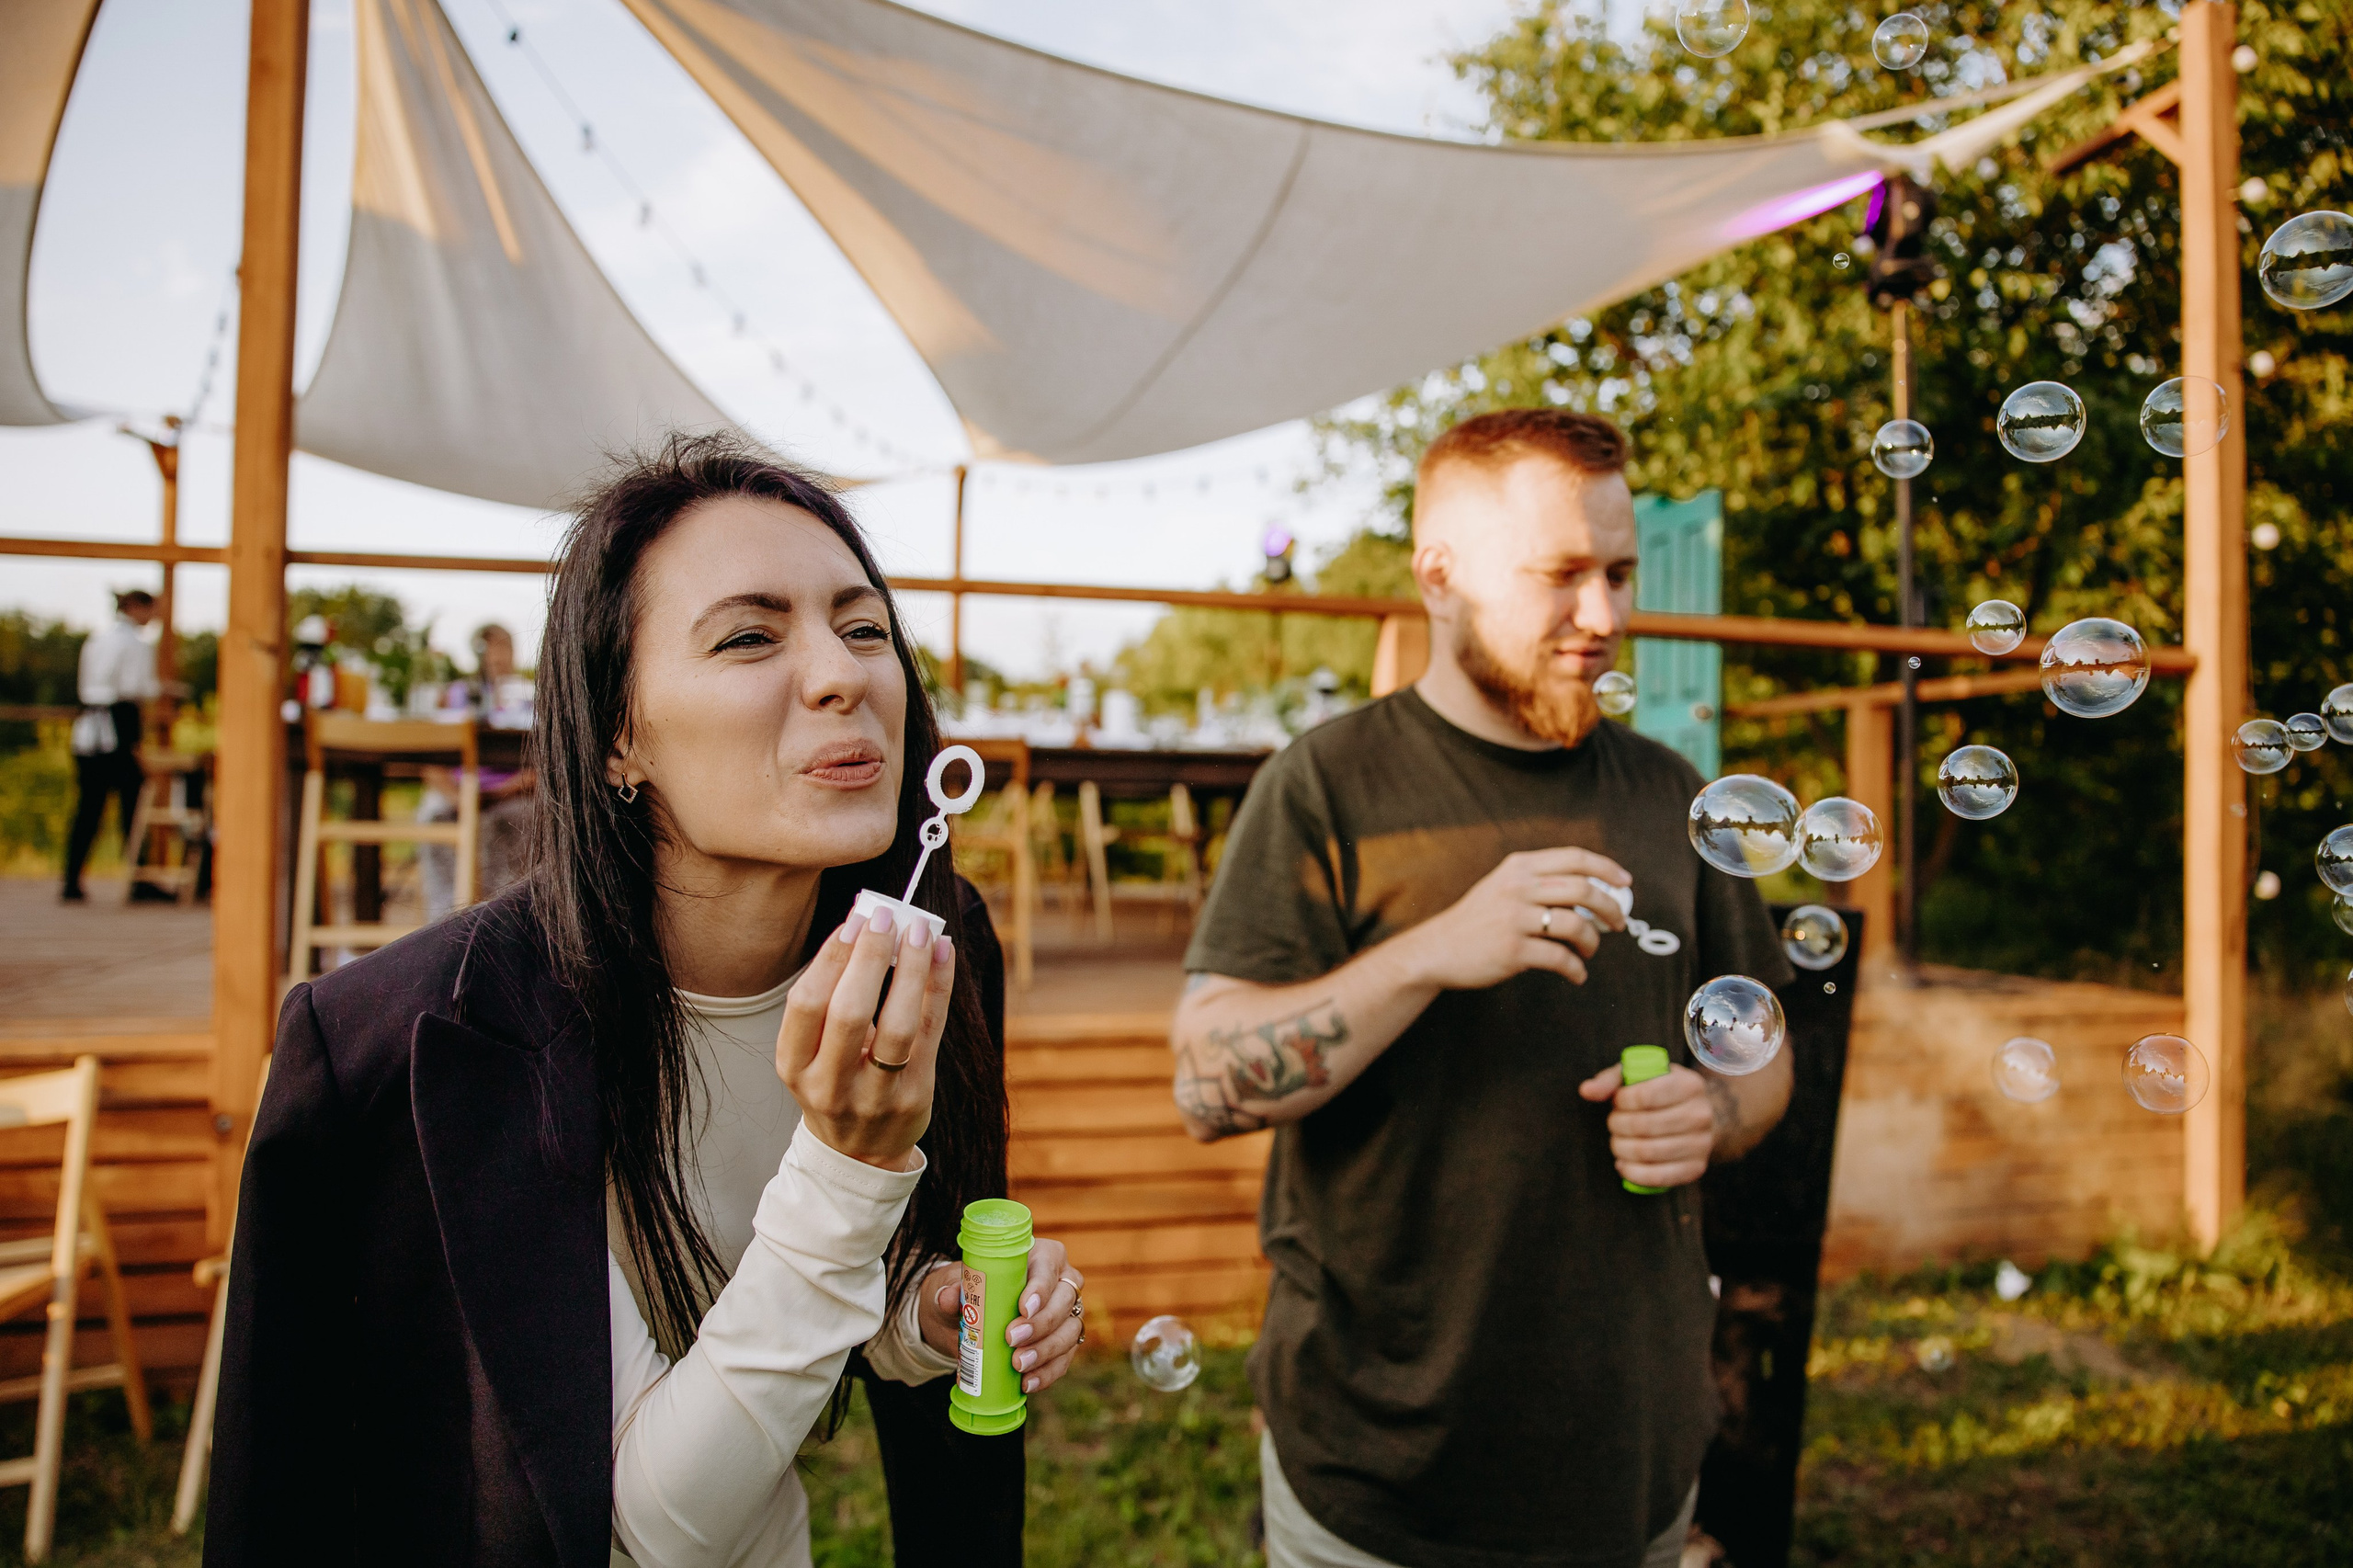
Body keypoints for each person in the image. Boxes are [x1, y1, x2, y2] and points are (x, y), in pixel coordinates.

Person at [209, 436, 1086, 1566]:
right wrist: (848, 1165)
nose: (843, 674)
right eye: (749, 636)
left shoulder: (930, 940)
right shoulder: (425, 1040)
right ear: (619, 732)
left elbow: (801, 1280)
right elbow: (642, 1522)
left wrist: (925, 1309)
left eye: (865, 628)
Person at [1171, 408, 1795, 1568]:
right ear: (1439, 576)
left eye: (1619, 573)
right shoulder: (1326, 786)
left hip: (1634, 1465)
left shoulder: (1672, 793)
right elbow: (1207, 1082)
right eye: (1561, 574)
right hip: (1382, 1478)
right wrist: (1427, 951)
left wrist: (1710, 1108)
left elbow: (1763, 1049)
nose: (1604, 615)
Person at [418, 622, 540, 922]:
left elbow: (544, 768)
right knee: (433, 813)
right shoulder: (457, 695)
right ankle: (445, 923)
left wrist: (499, 793)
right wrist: (459, 797)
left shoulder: (530, 697)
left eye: (503, 647)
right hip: (459, 794)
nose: (496, 657)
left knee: (520, 818)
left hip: (511, 792)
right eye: (489, 649)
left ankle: (504, 921)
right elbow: (430, 761)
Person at [62, 588, 160, 903]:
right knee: (134, 805)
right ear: (137, 608)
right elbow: (134, 689)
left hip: (88, 730)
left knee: (88, 808)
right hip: (117, 727)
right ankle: (139, 877)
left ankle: (71, 879)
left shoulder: (97, 640)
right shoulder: (136, 645)